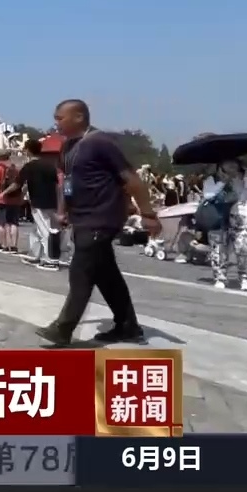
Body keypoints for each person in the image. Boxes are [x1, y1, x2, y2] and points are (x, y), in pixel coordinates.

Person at [36, 99, 156, 347]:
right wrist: (63, 209)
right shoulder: (68, 147)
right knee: (106, 274)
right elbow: (67, 181)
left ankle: (62, 329)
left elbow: (131, 179)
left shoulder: (101, 142)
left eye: (60, 118)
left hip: (102, 218)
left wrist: (148, 214)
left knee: (81, 272)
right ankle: (128, 326)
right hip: (81, 218)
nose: (56, 123)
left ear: (79, 117)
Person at [3, 138, 61, 270]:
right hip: (51, 201)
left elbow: (17, 184)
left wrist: (4, 192)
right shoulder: (50, 166)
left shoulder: (29, 167)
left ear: (28, 150)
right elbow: (57, 186)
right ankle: (36, 254)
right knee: (37, 231)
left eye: (25, 148)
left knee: (45, 230)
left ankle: (50, 260)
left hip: (38, 202)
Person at [204, 160, 247, 291]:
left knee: (244, 249)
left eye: (234, 167)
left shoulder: (242, 180)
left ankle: (245, 278)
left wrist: (246, 179)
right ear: (220, 168)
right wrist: (223, 182)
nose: (232, 170)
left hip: (241, 217)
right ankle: (220, 277)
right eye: (228, 167)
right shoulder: (212, 180)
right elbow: (208, 195)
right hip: (218, 218)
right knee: (218, 250)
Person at [0, 152, 22, 253]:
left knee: (0, 223)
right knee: (14, 223)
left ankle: (3, 245)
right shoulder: (15, 169)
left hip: (2, 200)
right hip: (15, 199)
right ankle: (14, 246)